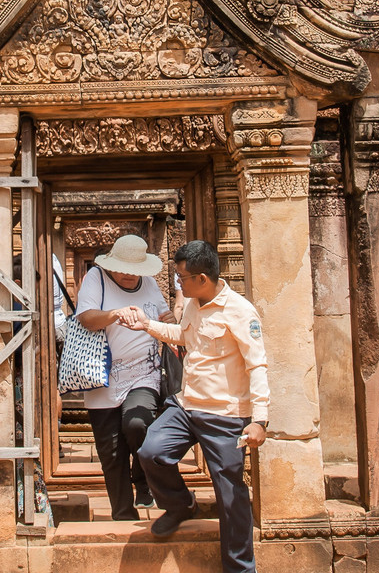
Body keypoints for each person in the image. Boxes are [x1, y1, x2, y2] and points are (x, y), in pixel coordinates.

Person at [122, 240, 269, 573]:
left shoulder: (240, 312)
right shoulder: (192, 302)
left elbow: (257, 366)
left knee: (231, 497)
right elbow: (184, 337)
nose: (178, 283)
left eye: (182, 277)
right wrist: (146, 325)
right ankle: (179, 505)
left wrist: (259, 420)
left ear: (202, 278)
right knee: (151, 452)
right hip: (186, 406)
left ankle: (240, 568)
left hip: (225, 415)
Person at [76, 234, 172, 520]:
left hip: (144, 371)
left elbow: (164, 315)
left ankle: (142, 480)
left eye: (135, 270)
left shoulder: (150, 283)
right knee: (112, 453)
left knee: (138, 423)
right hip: (102, 375)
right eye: (124, 268)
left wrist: (175, 319)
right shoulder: (97, 278)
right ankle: (122, 513)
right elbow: (86, 318)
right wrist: (115, 314)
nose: (130, 275)